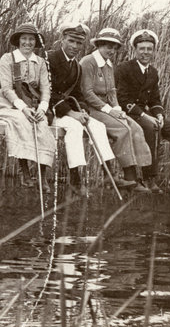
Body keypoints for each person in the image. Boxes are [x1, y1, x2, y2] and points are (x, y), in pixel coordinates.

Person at [115, 29, 170, 195]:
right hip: (127, 113)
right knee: (150, 128)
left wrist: (159, 115)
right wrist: (145, 116)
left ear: (153, 51)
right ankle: (149, 178)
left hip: (145, 113)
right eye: (142, 48)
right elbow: (122, 99)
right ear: (134, 50)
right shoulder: (124, 68)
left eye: (149, 49)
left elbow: (154, 100)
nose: (145, 52)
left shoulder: (153, 72)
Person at [46, 21, 118, 196]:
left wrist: (83, 110)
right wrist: (72, 113)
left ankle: (109, 174)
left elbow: (78, 94)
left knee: (98, 126)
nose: (75, 46)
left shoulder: (77, 67)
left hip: (69, 112)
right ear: (62, 39)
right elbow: (46, 92)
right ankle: (75, 180)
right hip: (50, 111)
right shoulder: (49, 59)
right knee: (75, 127)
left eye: (79, 43)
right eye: (71, 41)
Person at [79, 27, 152, 193]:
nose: (111, 51)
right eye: (107, 46)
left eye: (114, 47)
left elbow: (112, 91)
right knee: (122, 128)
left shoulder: (109, 64)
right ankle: (129, 176)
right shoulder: (88, 62)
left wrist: (118, 109)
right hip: (91, 108)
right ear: (99, 45)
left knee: (135, 128)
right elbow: (87, 93)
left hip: (106, 108)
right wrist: (109, 110)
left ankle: (140, 174)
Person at [0, 23, 57, 184]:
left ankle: (41, 175)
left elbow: (46, 89)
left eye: (31, 39)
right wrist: (23, 108)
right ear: (19, 41)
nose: (27, 42)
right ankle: (24, 171)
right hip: (7, 103)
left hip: (32, 103)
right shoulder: (7, 59)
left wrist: (42, 108)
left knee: (42, 123)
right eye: (24, 39)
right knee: (21, 121)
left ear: (35, 42)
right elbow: (7, 89)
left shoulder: (40, 62)